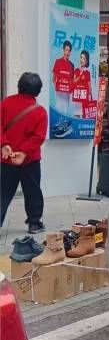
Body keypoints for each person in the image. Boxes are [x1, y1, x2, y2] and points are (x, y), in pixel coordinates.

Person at [1, 72, 48, 233]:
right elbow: (39, 137)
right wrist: (24, 152)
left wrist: (4, 144)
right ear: (38, 91)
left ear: (19, 86)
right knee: (33, 191)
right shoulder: (40, 112)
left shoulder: (6, 103)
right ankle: (34, 224)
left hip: (7, 158)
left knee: (3, 193)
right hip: (30, 160)